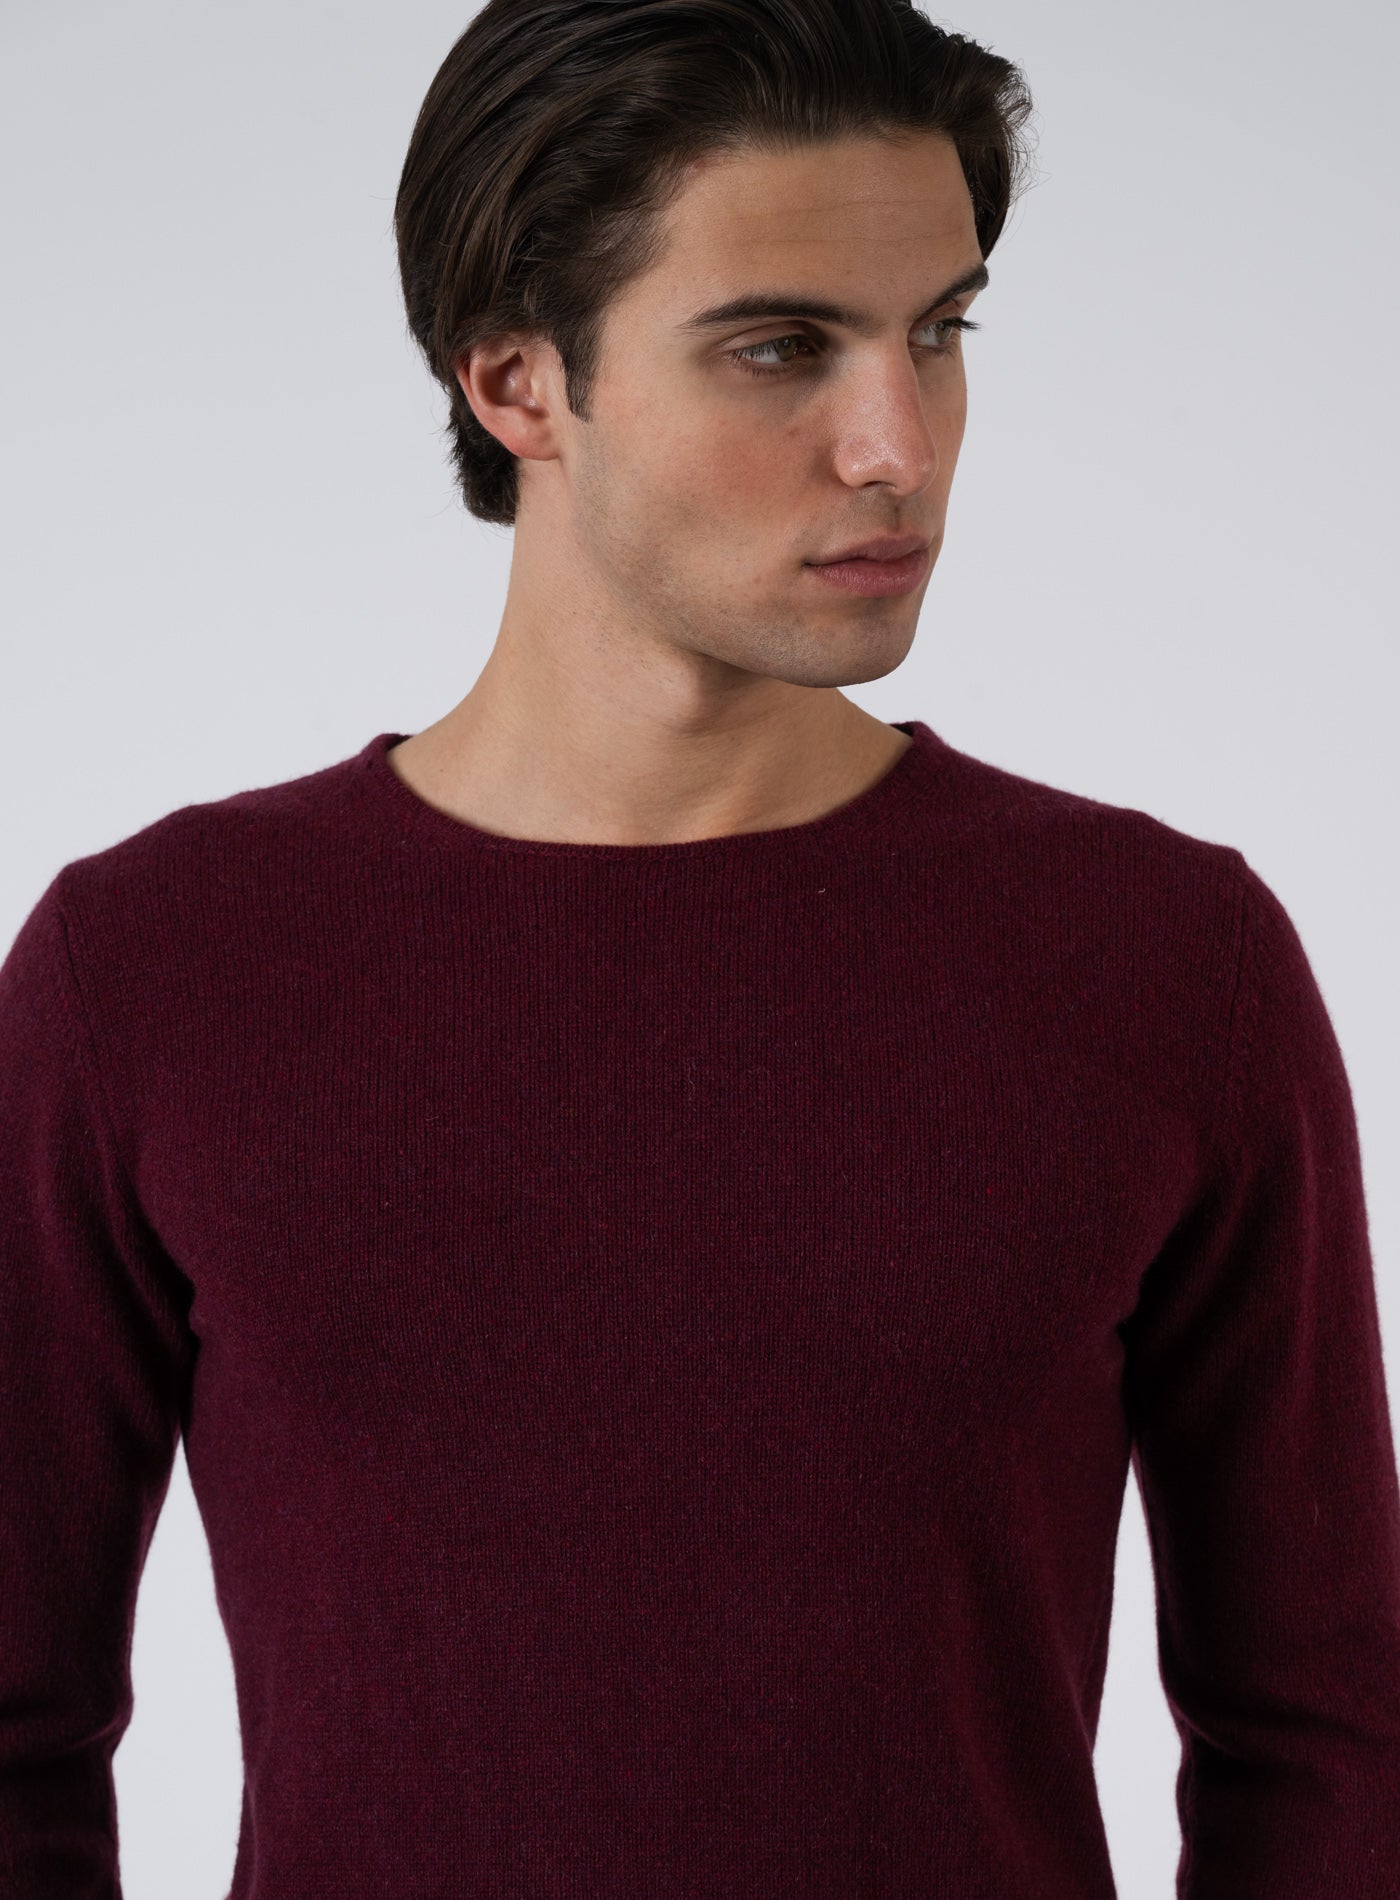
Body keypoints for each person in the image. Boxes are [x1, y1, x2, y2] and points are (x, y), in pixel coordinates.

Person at [2, 0, 1397, 1893]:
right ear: (518, 380)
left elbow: (1329, 1740)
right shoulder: (152, 973)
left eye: (940, 331)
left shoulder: (1164, 964)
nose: (898, 446)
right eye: (778, 347)